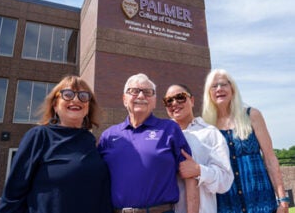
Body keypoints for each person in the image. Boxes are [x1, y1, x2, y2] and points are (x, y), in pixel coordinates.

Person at [0, 75, 113, 213]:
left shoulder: (89, 140)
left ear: (88, 106)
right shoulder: (39, 136)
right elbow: (12, 196)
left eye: (83, 95)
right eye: (68, 94)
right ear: (55, 104)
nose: (76, 99)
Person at [98, 73, 199, 213]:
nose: (140, 96)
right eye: (134, 91)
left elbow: (190, 176)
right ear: (124, 99)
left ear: (154, 101)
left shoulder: (170, 129)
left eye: (147, 92)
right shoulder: (108, 136)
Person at [202, 69, 289, 213]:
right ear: (209, 93)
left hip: (261, 201)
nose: (219, 89)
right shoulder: (206, 126)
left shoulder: (252, 115)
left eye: (224, 84)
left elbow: (270, 159)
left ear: (232, 89)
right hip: (227, 204)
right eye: (214, 86)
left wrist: (283, 199)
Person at [163, 84, 234, 213]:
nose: (174, 103)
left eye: (180, 97)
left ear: (192, 100)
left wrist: (199, 170)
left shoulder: (211, 133)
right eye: (169, 101)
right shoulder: (161, 136)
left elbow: (225, 181)